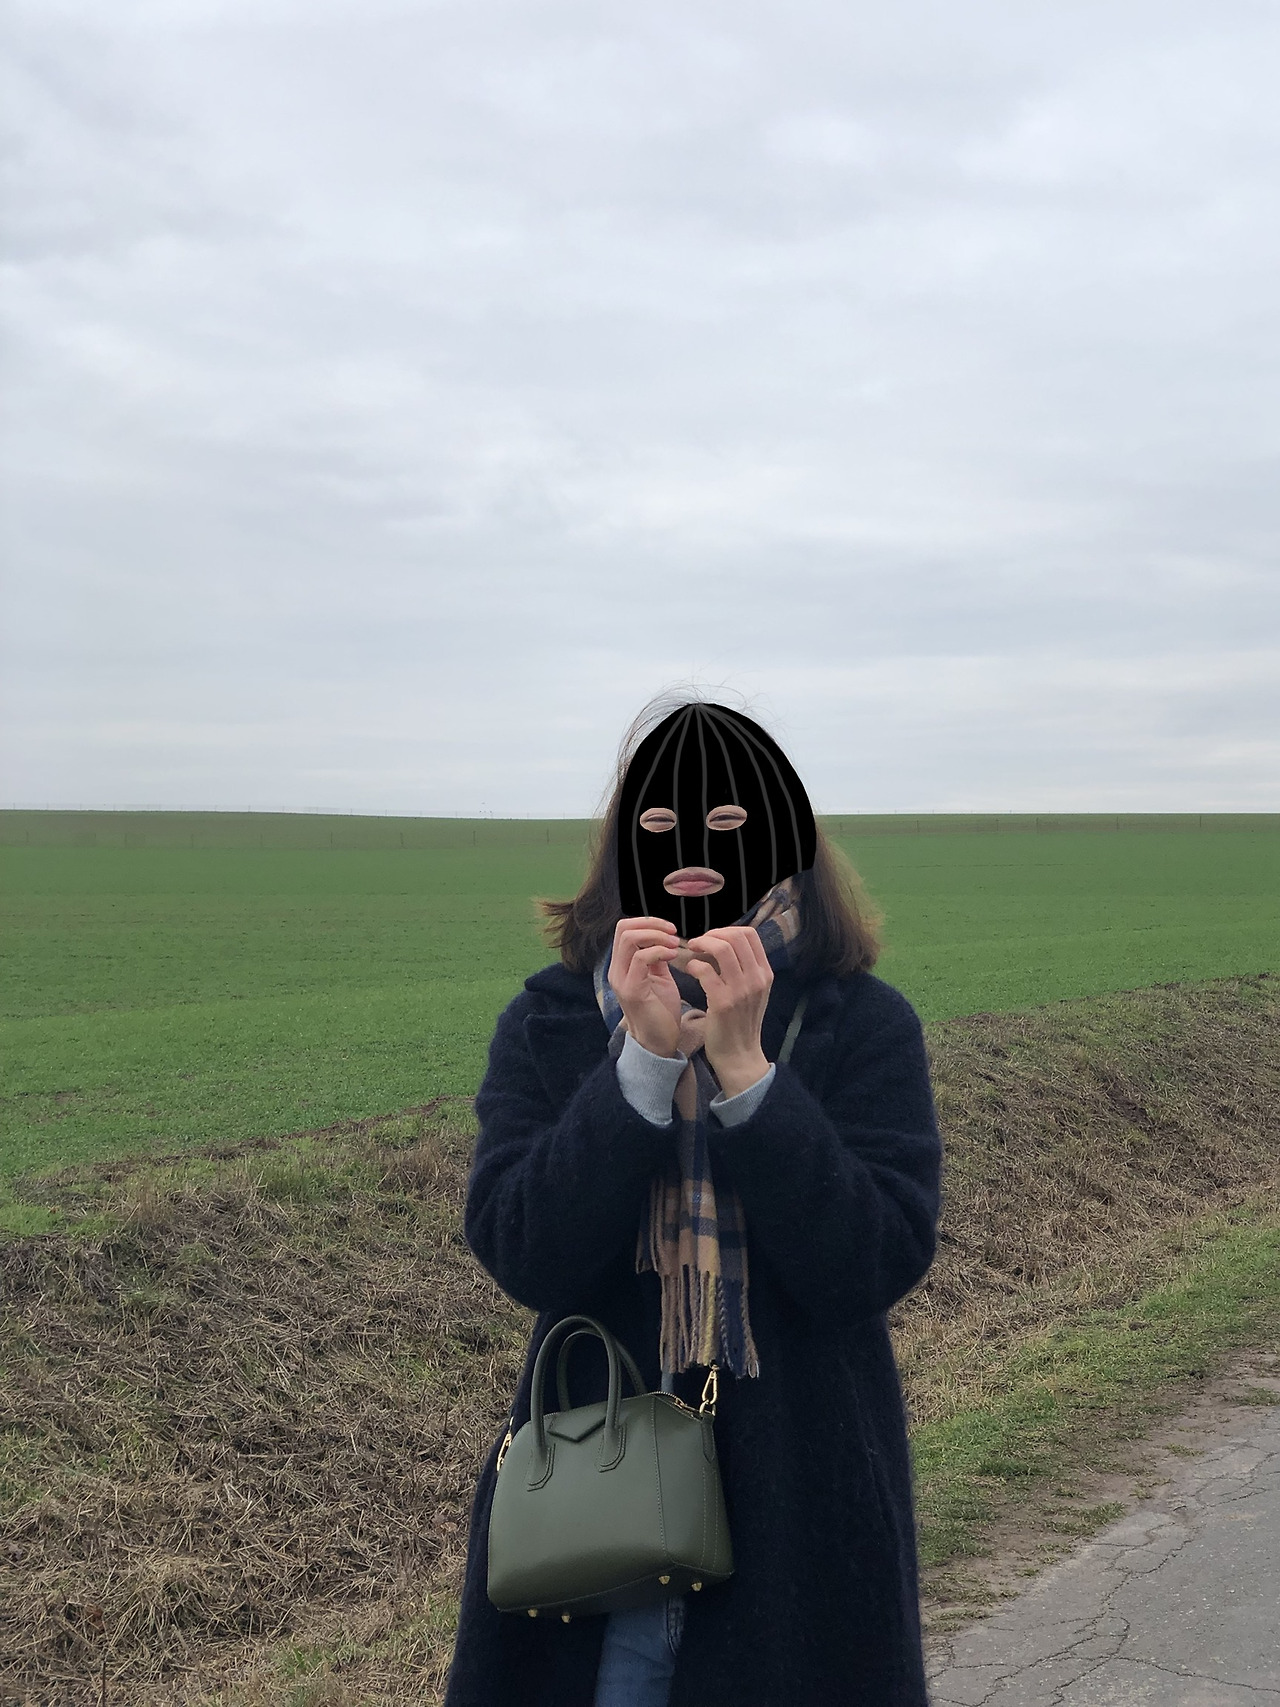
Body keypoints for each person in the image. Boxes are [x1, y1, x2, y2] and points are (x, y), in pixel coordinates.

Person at [442, 695, 943, 1707]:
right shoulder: (551, 1021)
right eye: (664, 821)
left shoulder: (859, 1023)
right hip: (594, 1531)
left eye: (727, 821)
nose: (695, 851)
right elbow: (522, 1248)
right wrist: (637, 1065)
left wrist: (750, 1078)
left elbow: (871, 1261)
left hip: (803, 1525)